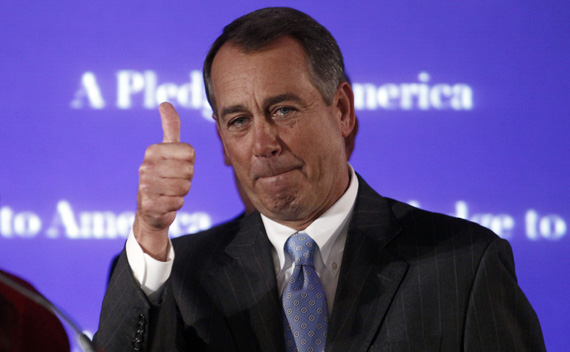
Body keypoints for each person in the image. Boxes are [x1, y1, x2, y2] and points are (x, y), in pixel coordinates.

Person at [95, 7, 545, 351]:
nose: (263, 143)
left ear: (343, 111)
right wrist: (151, 230)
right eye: (238, 121)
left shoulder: (465, 266)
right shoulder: (180, 278)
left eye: (283, 110)